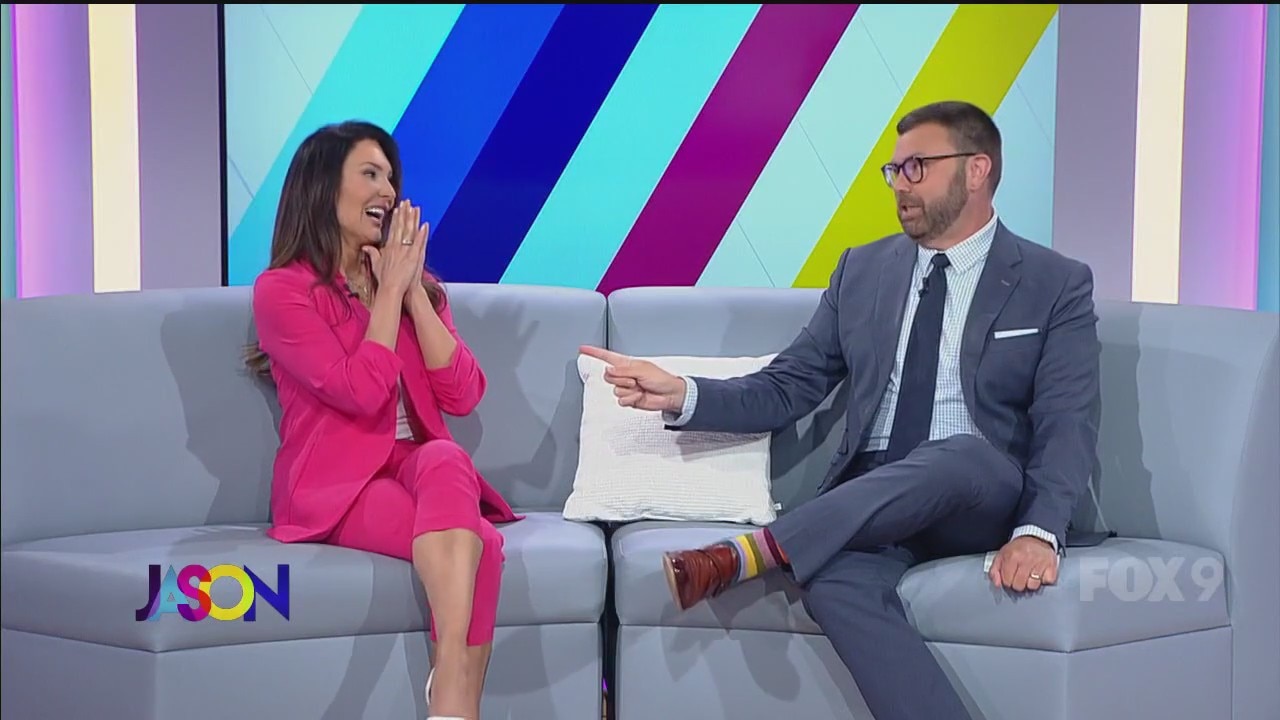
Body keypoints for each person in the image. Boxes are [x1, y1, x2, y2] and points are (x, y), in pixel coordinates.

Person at [581, 100, 1101, 720]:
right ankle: (782, 551)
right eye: (894, 170)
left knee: (958, 454)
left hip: (978, 491)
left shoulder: (1053, 282)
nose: (900, 185)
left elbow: (1067, 421)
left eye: (917, 167)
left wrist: (1039, 531)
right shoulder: (863, 269)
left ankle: (751, 553)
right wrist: (685, 394)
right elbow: (790, 386)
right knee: (833, 580)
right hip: (874, 497)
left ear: (976, 170)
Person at [245, 120, 520, 720]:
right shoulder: (283, 292)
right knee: (484, 545)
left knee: (446, 455)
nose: (388, 192)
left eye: (391, 178)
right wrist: (390, 293)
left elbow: (463, 393)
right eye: (370, 174)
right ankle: (456, 700)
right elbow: (361, 391)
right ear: (324, 187)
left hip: (415, 464)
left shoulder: (412, 285)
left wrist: (414, 292)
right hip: (338, 487)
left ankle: (448, 688)